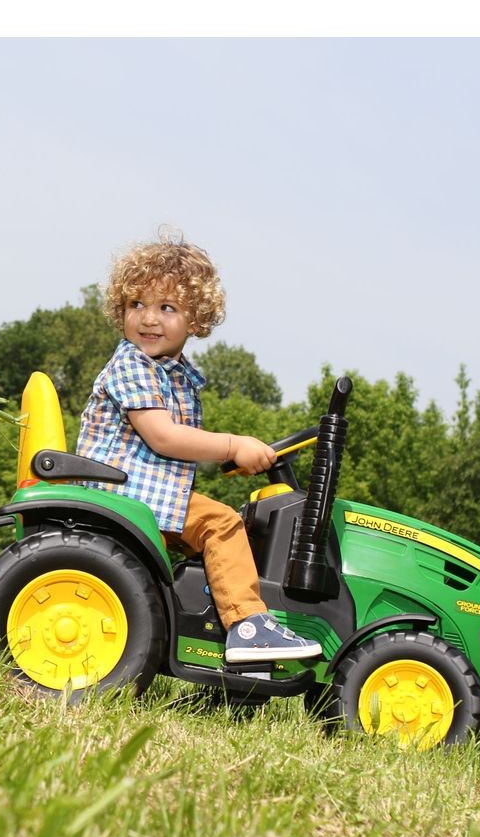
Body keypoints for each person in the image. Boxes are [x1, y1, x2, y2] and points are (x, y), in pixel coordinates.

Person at [76, 235, 322, 664]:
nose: (148, 318)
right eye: (136, 304)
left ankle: (209, 636)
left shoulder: (173, 374)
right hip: (119, 493)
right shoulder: (132, 364)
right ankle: (248, 625)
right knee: (221, 524)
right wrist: (234, 445)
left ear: (197, 319)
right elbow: (164, 437)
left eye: (167, 308)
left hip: (144, 493)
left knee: (228, 526)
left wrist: (236, 455)